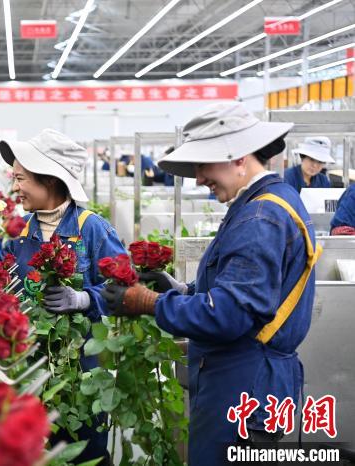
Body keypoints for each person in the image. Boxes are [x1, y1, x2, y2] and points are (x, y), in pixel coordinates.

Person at [102, 102, 319, 466]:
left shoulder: (260, 217)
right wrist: (183, 291)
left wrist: (147, 301)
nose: (199, 178)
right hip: (251, 381)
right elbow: (247, 292)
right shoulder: (270, 202)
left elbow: (229, 314)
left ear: (239, 158)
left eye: (204, 165)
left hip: (244, 384)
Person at [0, 128, 127, 465]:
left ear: (50, 180)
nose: (14, 187)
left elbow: (126, 286)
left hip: (81, 370)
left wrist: (85, 299)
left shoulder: (91, 228)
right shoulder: (16, 234)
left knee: (86, 449)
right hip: (28, 368)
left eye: (21, 179)